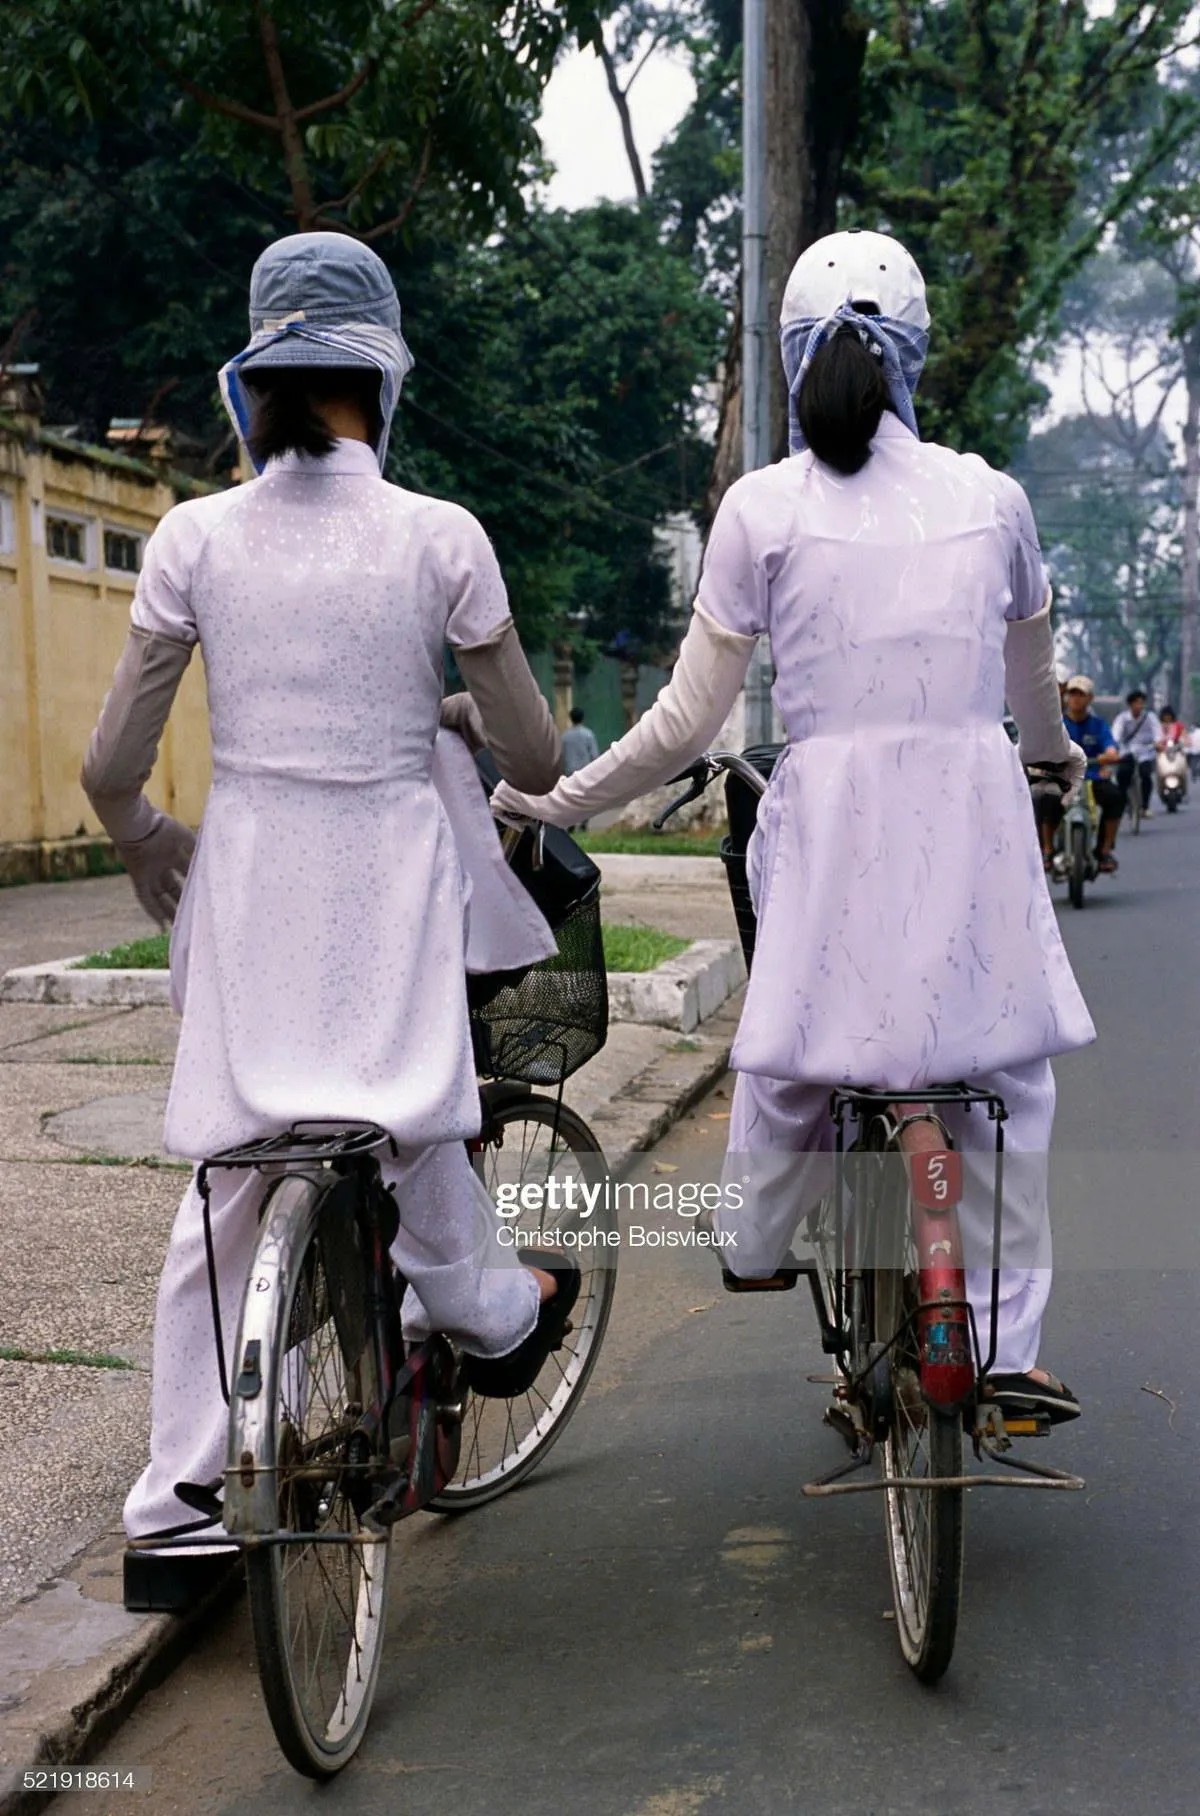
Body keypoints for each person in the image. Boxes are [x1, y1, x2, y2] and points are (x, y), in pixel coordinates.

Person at [492, 228, 1094, 1425]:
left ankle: (759, 1237)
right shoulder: (994, 499)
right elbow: (1035, 702)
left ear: (790, 356)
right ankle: (1010, 1349)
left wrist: (561, 798)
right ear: (916, 354)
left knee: (792, 1055)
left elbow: (680, 722)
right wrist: (1058, 761)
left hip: (831, 841)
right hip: (972, 829)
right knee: (1012, 1084)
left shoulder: (763, 509)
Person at [82, 233, 578, 1613]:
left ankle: (174, 1518)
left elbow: (110, 770)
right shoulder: (439, 539)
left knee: (230, 1193)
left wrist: (151, 845)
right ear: (382, 374)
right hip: (389, 893)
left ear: (257, 382)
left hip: (249, 891)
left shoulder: (194, 538)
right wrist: (468, 711)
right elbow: (535, 761)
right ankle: (486, 1315)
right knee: (420, 1120)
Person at [1044, 677, 1123, 873]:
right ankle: (1047, 850)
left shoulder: (1099, 725)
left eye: (1081, 694)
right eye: (1072, 694)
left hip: (1092, 777)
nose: (1076, 699)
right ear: (1066, 697)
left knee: (1116, 798)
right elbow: (1043, 747)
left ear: (1090, 698)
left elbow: (1110, 746)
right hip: (1062, 777)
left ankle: (1104, 850)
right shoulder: (1056, 725)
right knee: (1043, 799)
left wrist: (1110, 755)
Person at [1111, 688, 1162, 818]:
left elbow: (1157, 733)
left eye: (1141, 703)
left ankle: (1145, 806)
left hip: (1146, 751)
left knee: (1146, 775)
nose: (1139, 706)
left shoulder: (1150, 717)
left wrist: (1158, 742)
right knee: (1122, 775)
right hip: (1127, 751)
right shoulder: (1122, 718)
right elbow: (1115, 735)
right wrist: (1114, 747)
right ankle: (1123, 803)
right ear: (1130, 704)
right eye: (1136, 703)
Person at [561, 706, 601, 830]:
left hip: (569, 772)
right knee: (585, 798)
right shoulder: (588, 734)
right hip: (585, 771)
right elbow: (594, 755)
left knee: (570, 798)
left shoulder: (565, 736)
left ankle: (571, 822)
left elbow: (561, 755)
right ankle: (584, 822)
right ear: (582, 718)